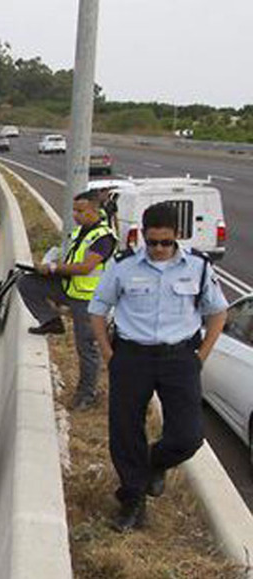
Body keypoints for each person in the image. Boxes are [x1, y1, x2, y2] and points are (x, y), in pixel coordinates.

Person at [88, 202, 228, 532]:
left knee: (188, 435)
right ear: (143, 237)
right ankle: (132, 501)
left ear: (177, 237)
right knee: (124, 432)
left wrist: (200, 357)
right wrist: (109, 355)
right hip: (131, 357)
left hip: (180, 358)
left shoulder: (198, 267)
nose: (159, 250)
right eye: (152, 243)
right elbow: (97, 310)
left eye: (165, 242)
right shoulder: (123, 266)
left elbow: (218, 313)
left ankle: (154, 463)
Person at [18, 189, 117, 409]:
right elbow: (71, 261)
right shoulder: (80, 232)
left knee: (86, 348)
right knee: (26, 283)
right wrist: (48, 268)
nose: (75, 215)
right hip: (69, 288)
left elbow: (85, 267)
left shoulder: (103, 238)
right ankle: (51, 321)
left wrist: (53, 268)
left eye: (80, 211)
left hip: (88, 301)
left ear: (94, 210)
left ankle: (86, 395)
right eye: (73, 210)